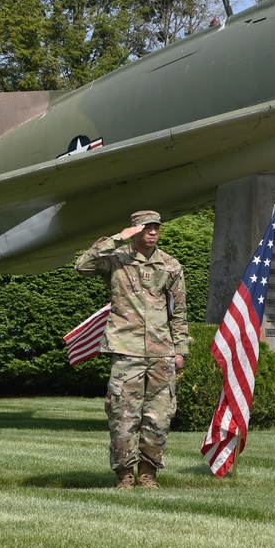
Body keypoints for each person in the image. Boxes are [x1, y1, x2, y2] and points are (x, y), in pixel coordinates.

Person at [74, 210, 188, 490]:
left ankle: (148, 475)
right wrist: (116, 238)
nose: (152, 232)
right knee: (124, 416)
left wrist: (180, 349)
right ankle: (124, 476)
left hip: (161, 353)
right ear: (135, 230)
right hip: (127, 351)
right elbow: (82, 266)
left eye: (156, 228)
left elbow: (179, 312)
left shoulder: (171, 265)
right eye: (146, 228)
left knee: (159, 417)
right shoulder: (117, 259)